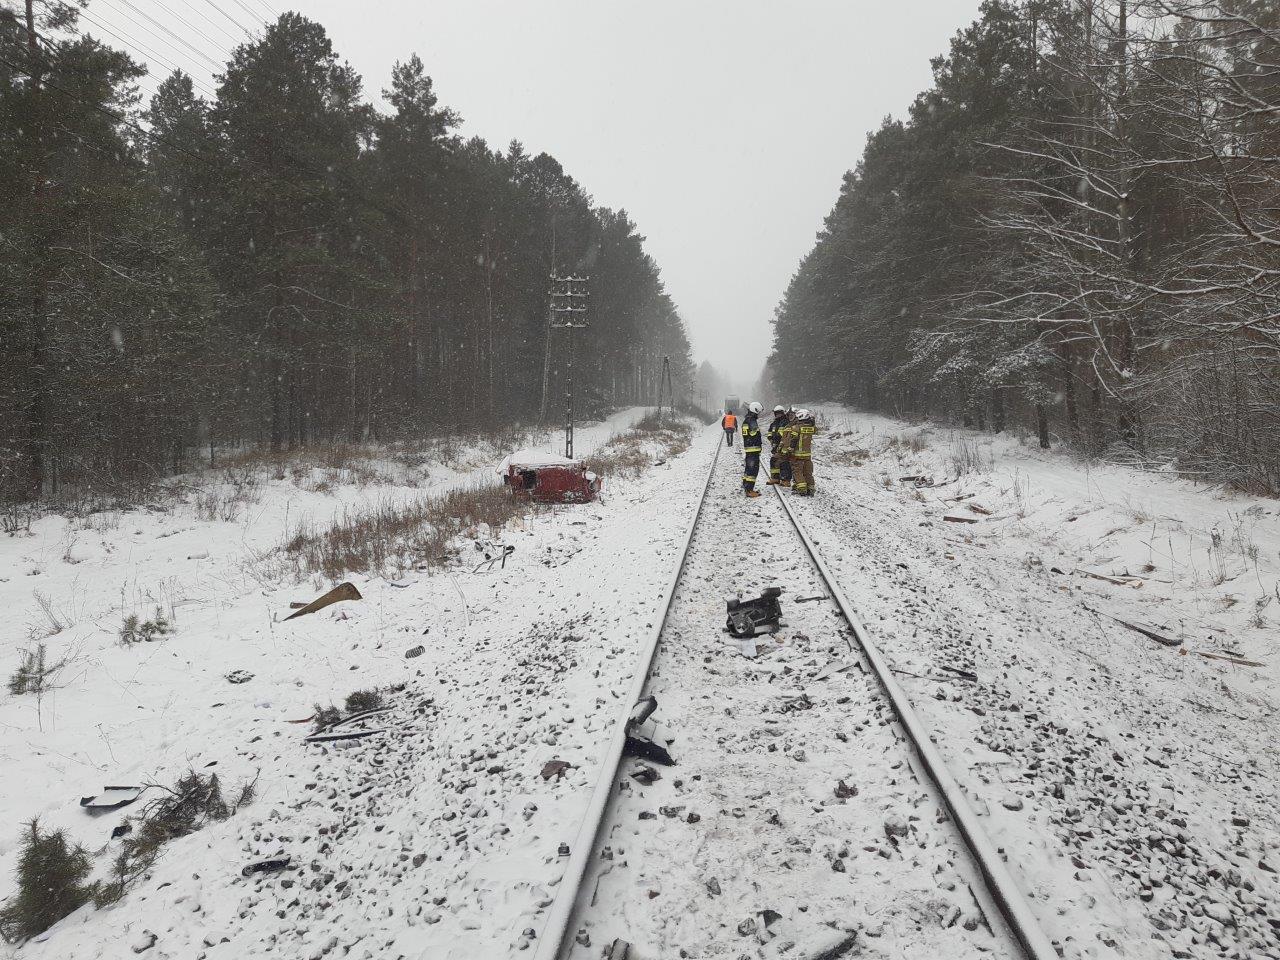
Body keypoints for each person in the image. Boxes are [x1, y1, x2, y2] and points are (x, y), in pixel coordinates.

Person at [790, 408, 817, 496]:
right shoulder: (812, 428)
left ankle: (802, 489)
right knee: (807, 471)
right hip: (807, 454)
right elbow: (815, 429)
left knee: (797, 471)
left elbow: (793, 440)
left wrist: (790, 448)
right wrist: (812, 422)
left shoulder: (796, 428)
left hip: (798, 453)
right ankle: (811, 487)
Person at [741, 401, 763, 497]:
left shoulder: (746, 420)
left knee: (748, 468)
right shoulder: (752, 421)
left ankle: (746, 486)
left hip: (749, 448)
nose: (759, 414)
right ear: (755, 410)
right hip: (753, 448)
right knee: (753, 470)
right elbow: (754, 434)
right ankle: (749, 490)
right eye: (758, 412)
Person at [766, 405, 788, 485]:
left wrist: (779, 442)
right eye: (776, 413)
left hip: (784, 446)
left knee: (784, 462)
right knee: (774, 461)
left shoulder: (786, 422)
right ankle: (775, 478)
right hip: (776, 446)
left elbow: (784, 435)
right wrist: (770, 438)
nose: (778, 415)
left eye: (779, 413)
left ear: (782, 413)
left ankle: (785, 480)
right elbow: (770, 432)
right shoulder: (774, 423)